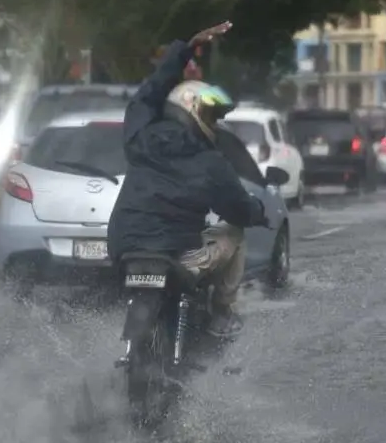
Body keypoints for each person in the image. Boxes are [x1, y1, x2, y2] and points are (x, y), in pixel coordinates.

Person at [107, 21, 268, 338]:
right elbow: (238, 209)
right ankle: (222, 313)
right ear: (190, 111)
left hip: (123, 246)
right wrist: (258, 212)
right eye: (210, 116)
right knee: (234, 234)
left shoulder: (140, 138)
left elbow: (146, 95)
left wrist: (182, 50)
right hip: (173, 253)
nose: (214, 125)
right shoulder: (210, 163)